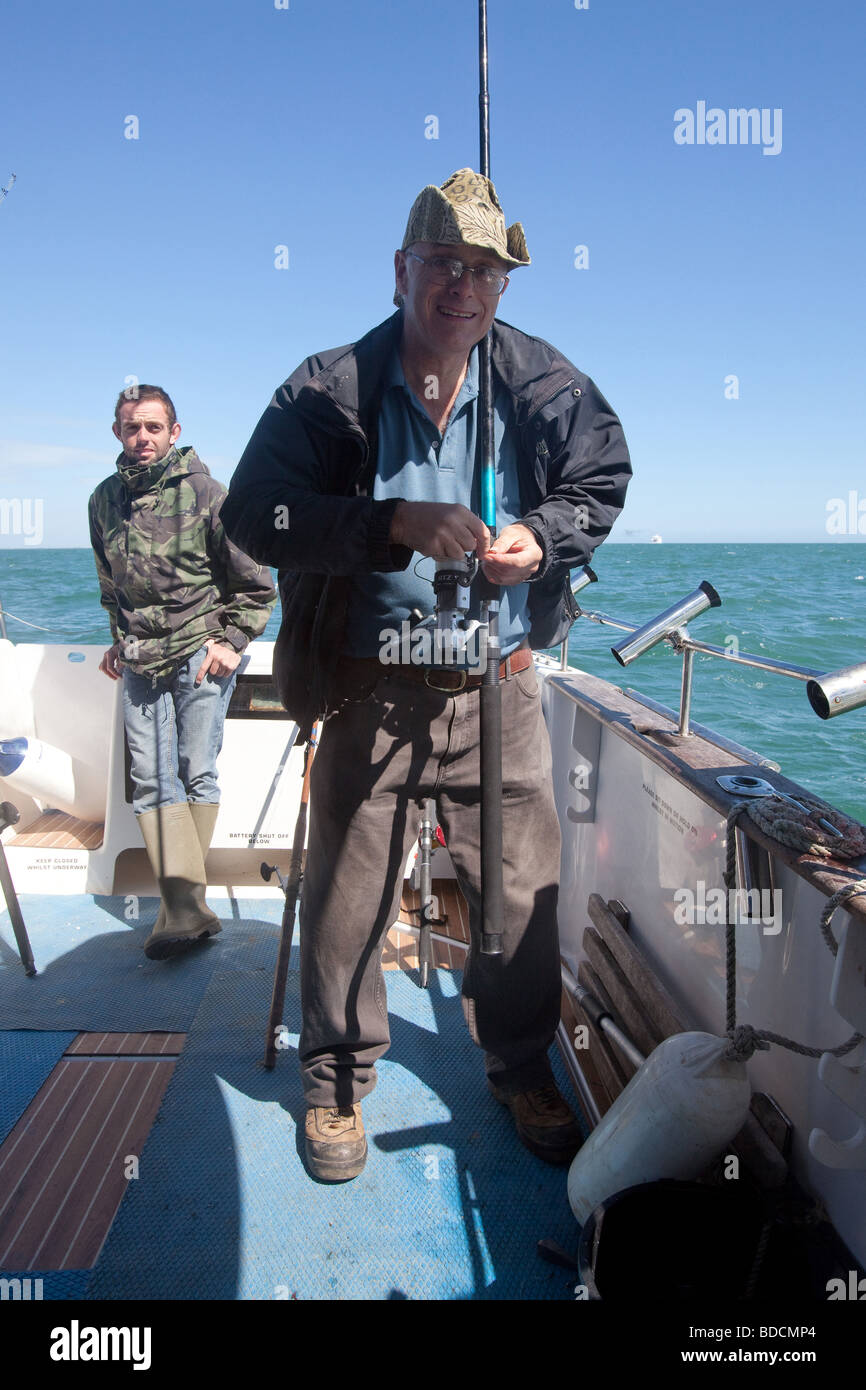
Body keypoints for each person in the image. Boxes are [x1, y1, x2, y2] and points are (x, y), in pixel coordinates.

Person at [221, 169, 632, 1181]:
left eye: (486, 270)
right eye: (443, 264)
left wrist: (539, 536)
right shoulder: (326, 387)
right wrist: (387, 525)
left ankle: (519, 1063)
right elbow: (252, 513)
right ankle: (334, 1080)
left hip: (500, 681)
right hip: (369, 681)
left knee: (519, 893)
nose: (464, 286)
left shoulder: (543, 382)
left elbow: (601, 477)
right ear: (400, 269)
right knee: (348, 895)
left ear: (504, 286)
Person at [89, 385, 276, 960]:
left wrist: (234, 640)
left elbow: (255, 581)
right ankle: (186, 912)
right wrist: (118, 640)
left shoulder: (208, 493)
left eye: (152, 427)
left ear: (174, 431)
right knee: (150, 777)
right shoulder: (103, 500)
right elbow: (108, 583)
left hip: (201, 650)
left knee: (197, 768)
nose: (141, 438)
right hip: (141, 657)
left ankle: (181, 910)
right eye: (130, 428)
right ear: (117, 433)